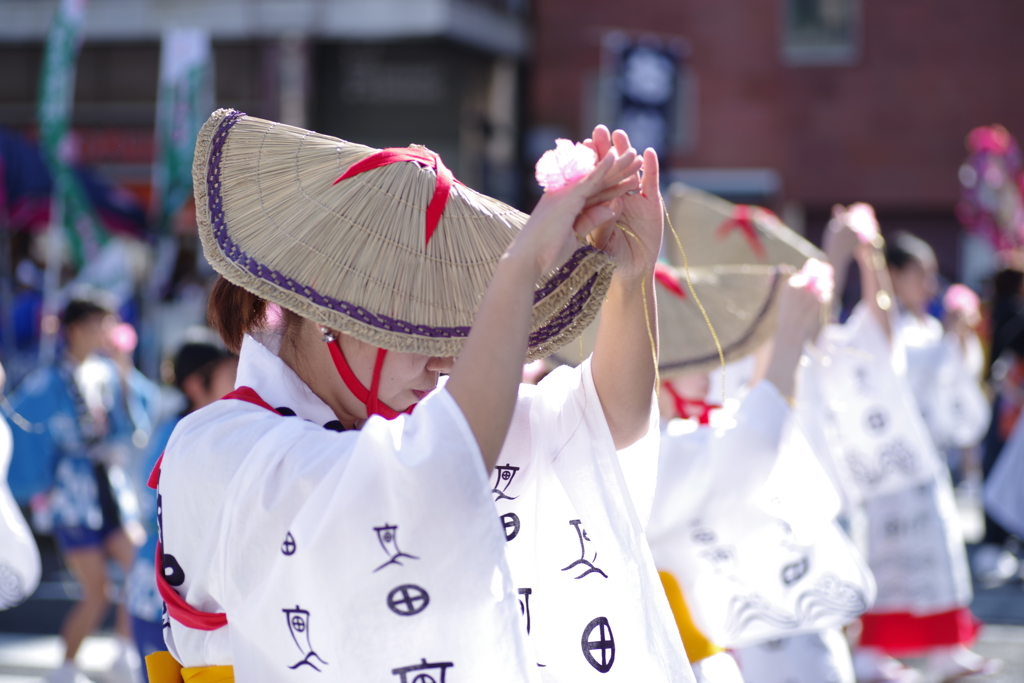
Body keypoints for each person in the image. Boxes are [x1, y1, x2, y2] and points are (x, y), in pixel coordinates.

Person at [148, 109, 689, 682]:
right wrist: (519, 267)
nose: (445, 361)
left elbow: (606, 423)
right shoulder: (218, 447)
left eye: (451, 332)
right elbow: (431, 475)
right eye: (418, 331)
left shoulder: (421, 426)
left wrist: (630, 282)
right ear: (332, 312)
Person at [822, 204, 999, 683]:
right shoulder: (870, 327)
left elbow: (950, 398)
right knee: (885, 563)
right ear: (894, 274)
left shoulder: (925, 329)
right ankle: (872, 651)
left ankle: (945, 646)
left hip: (922, 462)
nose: (930, 286)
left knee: (937, 556)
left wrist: (959, 343)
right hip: (878, 466)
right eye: (922, 275)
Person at [5, 299, 153, 683]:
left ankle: (124, 652)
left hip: (109, 490)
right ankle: (66, 667)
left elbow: (138, 423)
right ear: (73, 329)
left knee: (141, 568)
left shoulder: (109, 371)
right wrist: (39, 484)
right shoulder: (49, 379)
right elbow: (18, 425)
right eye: (96, 325)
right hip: (72, 497)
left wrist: (124, 373)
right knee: (97, 591)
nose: (104, 333)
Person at [126, 337, 237, 680]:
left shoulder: (206, 430)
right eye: (228, 374)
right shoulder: (177, 435)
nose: (238, 381)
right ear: (195, 383)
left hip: (186, 601)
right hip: (160, 600)